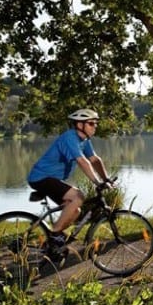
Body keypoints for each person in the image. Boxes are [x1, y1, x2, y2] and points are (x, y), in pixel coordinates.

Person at [27, 108, 112, 255]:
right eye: (91, 123)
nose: (95, 127)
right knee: (78, 197)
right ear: (80, 125)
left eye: (95, 123)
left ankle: (54, 244)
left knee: (76, 209)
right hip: (41, 177)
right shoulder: (70, 137)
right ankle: (55, 234)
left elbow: (94, 160)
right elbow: (83, 162)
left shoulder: (84, 140)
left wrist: (106, 179)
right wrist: (97, 182)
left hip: (51, 178)